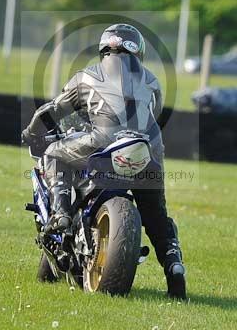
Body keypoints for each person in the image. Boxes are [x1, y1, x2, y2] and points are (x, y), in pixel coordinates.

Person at [21, 24, 186, 299]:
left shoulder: (86, 77)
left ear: (103, 49)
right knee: (156, 216)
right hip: (146, 152)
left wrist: (31, 131)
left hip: (102, 143)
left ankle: (61, 214)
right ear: (138, 51)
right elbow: (150, 117)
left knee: (53, 155)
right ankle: (174, 266)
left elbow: (53, 111)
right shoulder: (153, 82)